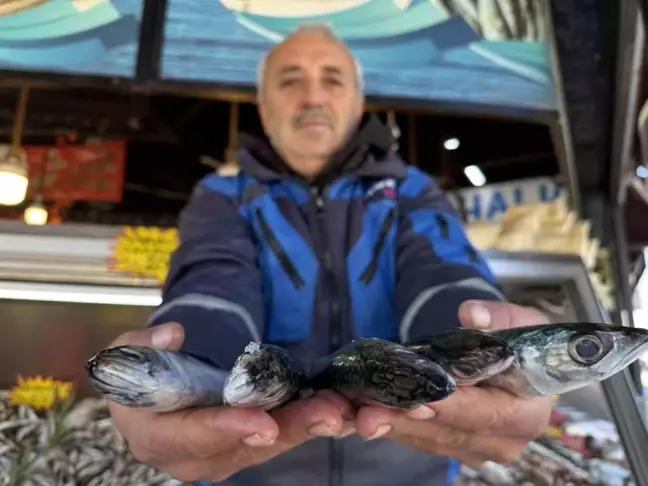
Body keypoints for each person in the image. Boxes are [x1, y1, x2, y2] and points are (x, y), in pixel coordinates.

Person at [106, 23, 553, 486]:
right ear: (263, 108)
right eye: (290, 80)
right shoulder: (222, 194)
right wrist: (189, 366)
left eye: (333, 80)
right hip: (252, 466)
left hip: (410, 465)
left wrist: (478, 343)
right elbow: (212, 281)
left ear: (358, 104)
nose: (313, 97)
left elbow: (442, 270)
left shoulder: (411, 191)